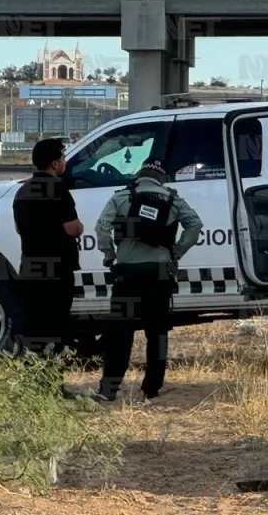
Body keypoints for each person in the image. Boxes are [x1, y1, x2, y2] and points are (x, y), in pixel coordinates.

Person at [93, 158, 203, 402]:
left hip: (128, 272)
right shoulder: (173, 199)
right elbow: (195, 225)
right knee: (157, 332)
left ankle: (109, 388)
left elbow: (101, 227)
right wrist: (175, 253)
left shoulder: (122, 197)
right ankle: (151, 388)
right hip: (160, 272)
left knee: (120, 332)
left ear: (139, 175)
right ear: (161, 178)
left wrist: (109, 254)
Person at [11, 137, 83, 397]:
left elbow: (18, 227)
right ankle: (53, 385)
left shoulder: (22, 191)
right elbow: (72, 228)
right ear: (54, 163)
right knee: (56, 328)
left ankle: (33, 385)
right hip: (57, 269)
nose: (64, 162)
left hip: (30, 266)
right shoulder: (58, 189)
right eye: (63, 158)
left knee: (34, 327)